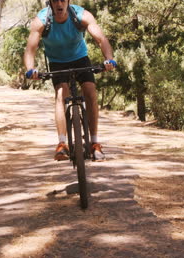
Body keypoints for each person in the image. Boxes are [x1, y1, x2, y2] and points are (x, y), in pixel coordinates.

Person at [24, 0, 116, 161]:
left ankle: (94, 143)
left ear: (68, 2)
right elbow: (31, 49)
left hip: (80, 58)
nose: (59, 4)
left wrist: (109, 59)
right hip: (57, 62)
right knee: (61, 94)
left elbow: (101, 39)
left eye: (63, 0)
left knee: (90, 91)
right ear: (50, 3)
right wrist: (31, 70)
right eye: (55, 0)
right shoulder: (41, 21)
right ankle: (62, 144)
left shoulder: (81, 15)